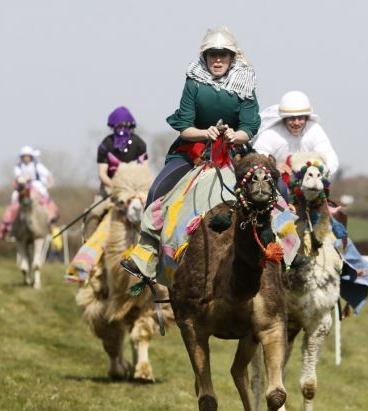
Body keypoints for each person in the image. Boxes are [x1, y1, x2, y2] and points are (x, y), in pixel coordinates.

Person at [122, 26, 260, 279]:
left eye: (223, 55)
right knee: (157, 190)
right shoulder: (194, 81)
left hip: (235, 152)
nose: (217, 60)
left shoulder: (246, 81)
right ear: (205, 57)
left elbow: (250, 126)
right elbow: (184, 126)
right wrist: (204, 133)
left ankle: (283, 252)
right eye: (212, 55)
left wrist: (234, 135)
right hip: (193, 150)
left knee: (272, 191)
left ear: (232, 58)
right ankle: (147, 253)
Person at [84, 107, 148, 236]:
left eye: (125, 125)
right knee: (94, 212)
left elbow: (144, 170)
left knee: (152, 214)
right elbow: (102, 173)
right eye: (118, 125)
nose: (122, 128)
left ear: (130, 125)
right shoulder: (105, 144)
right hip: (110, 188)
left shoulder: (139, 144)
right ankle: (88, 243)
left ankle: (153, 248)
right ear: (113, 126)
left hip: (135, 190)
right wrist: (117, 187)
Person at [252, 90, 339, 180]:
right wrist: (273, 167)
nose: (296, 123)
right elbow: (257, 156)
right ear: (284, 119)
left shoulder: (314, 131)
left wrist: (316, 169)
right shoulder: (271, 133)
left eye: (300, 118)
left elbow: (330, 159)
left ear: (306, 118)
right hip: (277, 181)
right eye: (292, 118)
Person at [0, 146, 58, 239]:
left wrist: (50, 181)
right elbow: (18, 177)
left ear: (31, 156)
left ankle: (50, 220)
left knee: (45, 198)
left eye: (27, 156)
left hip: (37, 186)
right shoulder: (18, 166)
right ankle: (9, 224)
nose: (26, 158)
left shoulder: (37, 165)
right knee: (14, 199)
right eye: (24, 156)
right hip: (23, 187)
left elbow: (47, 174)